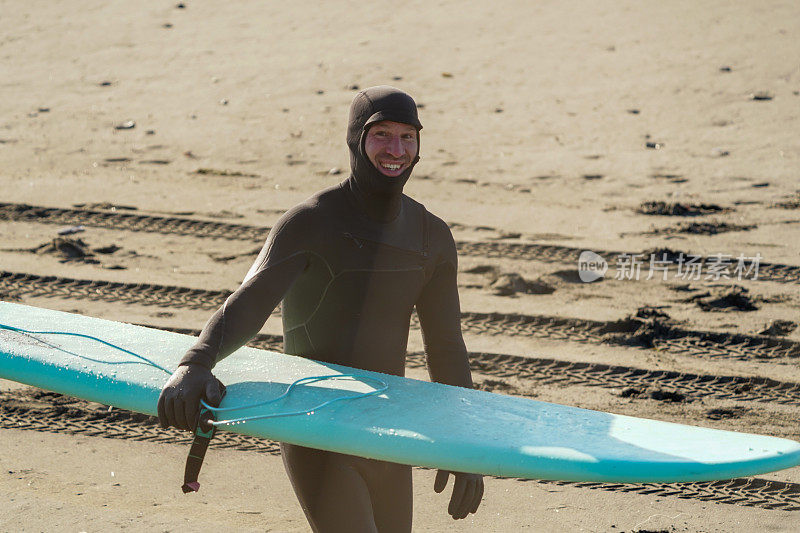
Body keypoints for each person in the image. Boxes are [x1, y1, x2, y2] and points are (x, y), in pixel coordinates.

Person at [158, 85, 484, 532]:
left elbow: (446, 345)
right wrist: (196, 362)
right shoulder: (311, 221)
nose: (396, 149)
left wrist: (463, 443)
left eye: (407, 137)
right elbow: (250, 303)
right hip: (315, 426)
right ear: (356, 139)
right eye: (382, 134)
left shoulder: (431, 237)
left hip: (390, 431)